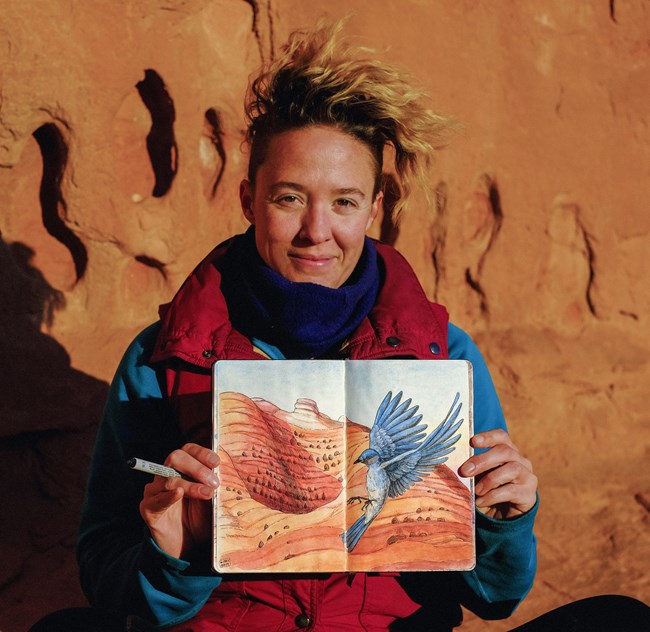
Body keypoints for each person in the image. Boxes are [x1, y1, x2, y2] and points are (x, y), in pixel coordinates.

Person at [76, 21, 539, 631]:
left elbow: (496, 597)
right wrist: (172, 550)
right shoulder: (163, 360)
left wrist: (504, 518)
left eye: (344, 202)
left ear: (376, 208)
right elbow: (106, 576)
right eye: (289, 198)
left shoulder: (442, 355)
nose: (317, 231)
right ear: (249, 199)